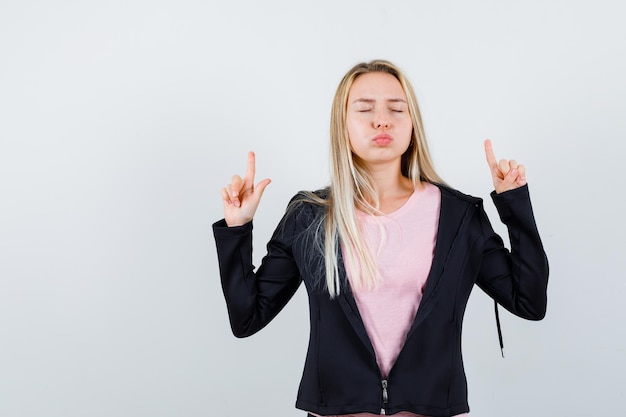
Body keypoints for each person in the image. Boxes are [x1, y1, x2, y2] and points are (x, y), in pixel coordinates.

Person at [213, 60, 548, 417]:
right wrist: (238, 227)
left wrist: (514, 204)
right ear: (342, 125)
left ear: (412, 123)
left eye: (396, 109)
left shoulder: (460, 217)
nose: (382, 120)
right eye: (365, 108)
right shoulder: (309, 215)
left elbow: (528, 302)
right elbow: (246, 318)